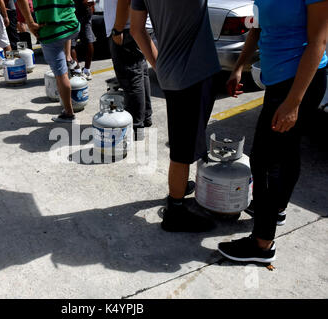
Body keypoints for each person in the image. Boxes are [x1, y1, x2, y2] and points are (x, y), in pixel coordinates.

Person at [218, 0, 327, 263]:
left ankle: (262, 243)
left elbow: (318, 42)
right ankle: (276, 208)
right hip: (276, 80)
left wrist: (293, 102)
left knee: (263, 160)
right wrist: (239, 66)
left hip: (299, 83)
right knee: (287, 149)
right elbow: (257, 28)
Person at [130, 0, 221, 232]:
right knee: (183, 149)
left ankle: (178, 193)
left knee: (183, 141)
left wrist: (159, 65)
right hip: (195, 73)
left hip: (172, 72)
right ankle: (176, 209)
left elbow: (136, 29)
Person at [17, 0, 80, 123]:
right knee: (64, 45)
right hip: (72, 24)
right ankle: (69, 58)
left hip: (51, 30)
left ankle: (69, 113)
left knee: (61, 75)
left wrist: (30, 22)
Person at [104, 0, 153, 141]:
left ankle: (135, 127)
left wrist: (117, 29)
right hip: (136, 26)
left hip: (126, 29)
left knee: (131, 78)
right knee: (140, 74)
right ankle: (144, 117)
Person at [69, 0, 96, 80]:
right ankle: (86, 70)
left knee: (71, 44)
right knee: (88, 40)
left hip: (74, 12)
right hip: (86, 11)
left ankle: (78, 71)